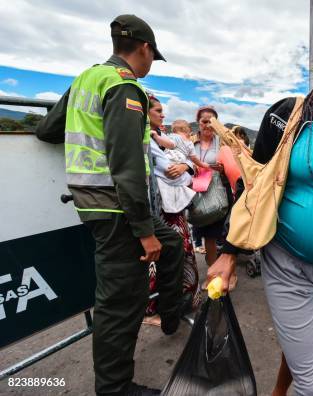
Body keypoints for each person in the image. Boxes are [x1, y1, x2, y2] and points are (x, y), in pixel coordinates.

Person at [205, 21, 313, 396]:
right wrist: (228, 252)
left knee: (302, 347)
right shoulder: (289, 115)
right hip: (288, 263)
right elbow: (253, 186)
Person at [35, 15, 183, 395]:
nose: (151, 65)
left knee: (172, 245)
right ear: (145, 49)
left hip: (97, 204)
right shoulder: (124, 87)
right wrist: (144, 232)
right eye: (153, 57)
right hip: (118, 210)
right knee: (121, 304)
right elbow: (127, 165)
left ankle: (171, 313)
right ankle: (115, 388)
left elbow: (47, 130)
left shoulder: (87, 78)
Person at [145, 96, 202, 323]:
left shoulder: (164, 138)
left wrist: (186, 166)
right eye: (157, 110)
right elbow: (172, 173)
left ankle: (184, 300)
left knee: (181, 251)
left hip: (173, 209)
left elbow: (189, 169)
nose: (162, 114)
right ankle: (161, 308)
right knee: (160, 257)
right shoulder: (144, 139)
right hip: (157, 210)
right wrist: (185, 171)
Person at [191, 106, 232, 262]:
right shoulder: (189, 141)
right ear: (198, 123)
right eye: (204, 121)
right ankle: (212, 271)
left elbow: (234, 166)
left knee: (212, 236)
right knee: (200, 231)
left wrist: (224, 168)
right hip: (196, 194)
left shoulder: (223, 142)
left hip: (218, 192)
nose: (208, 125)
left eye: (212, 122)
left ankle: (215, 274)